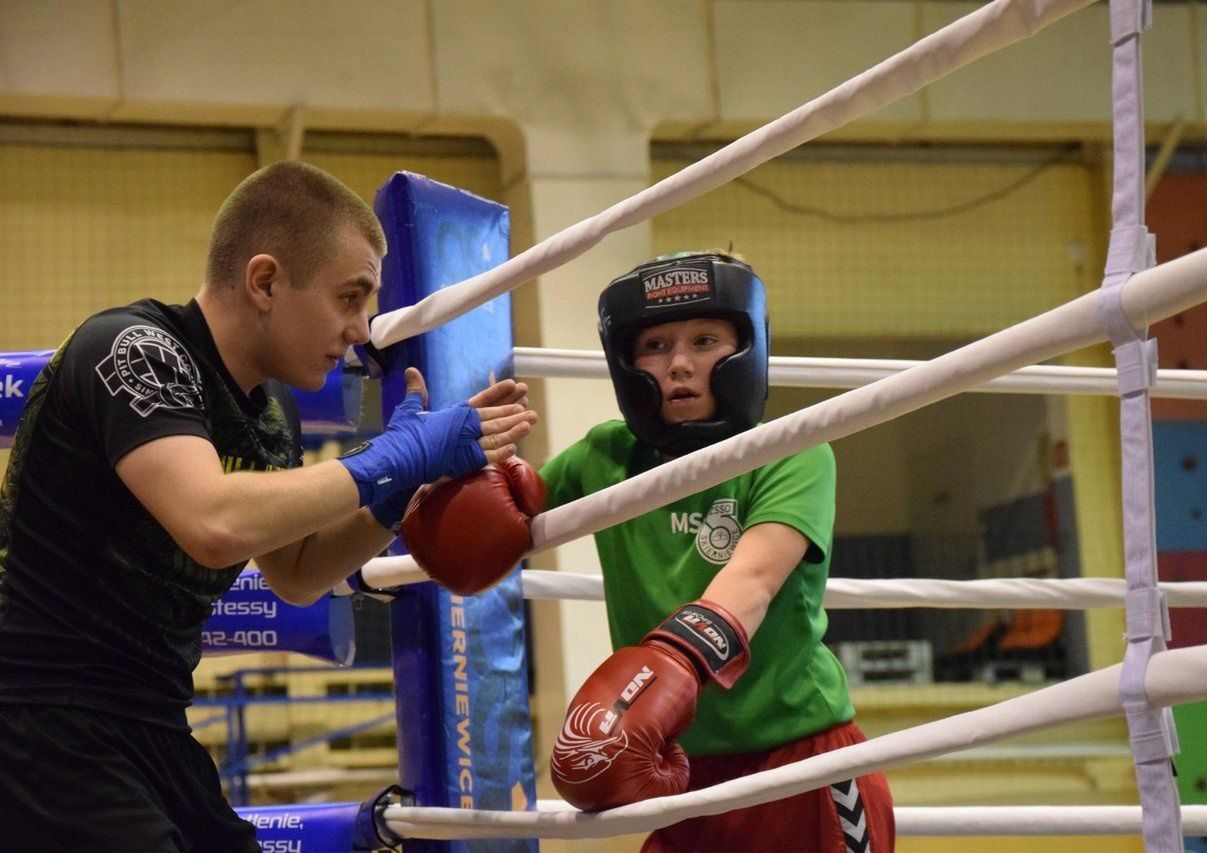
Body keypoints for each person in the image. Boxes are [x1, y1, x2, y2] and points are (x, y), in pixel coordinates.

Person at [0, 160, 536, 851]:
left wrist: (395, 496)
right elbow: (213, 522)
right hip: (38, 718)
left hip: (151, 721)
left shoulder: (271, 412)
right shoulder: (135, 351)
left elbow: (298, 571)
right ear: (265, 280)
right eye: (349, 297)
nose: (361, 329)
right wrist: (390, 458)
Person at [544, 252, 894, 852]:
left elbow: (752, 581)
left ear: (744, 351)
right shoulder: (606, 456)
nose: (679, 364)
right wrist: (446, 459)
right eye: (655, 346)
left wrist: (658, 675)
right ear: (627, 365)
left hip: (800, 763)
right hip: (680, 775)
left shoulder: (791, 450)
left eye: (704, 340)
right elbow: (500, 520)